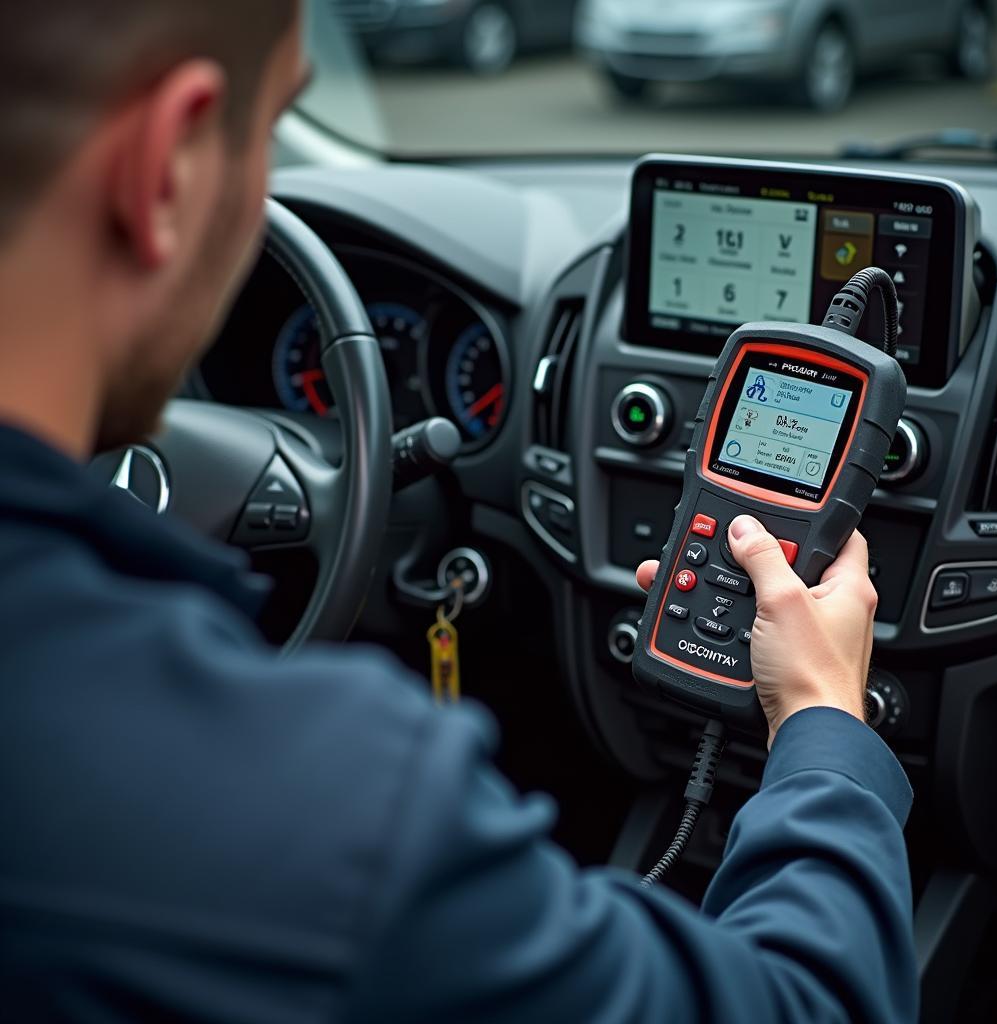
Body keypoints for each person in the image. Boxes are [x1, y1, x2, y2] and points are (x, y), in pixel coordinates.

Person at [0, 2, 916, 1020]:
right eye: (271, 132)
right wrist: (825, 723)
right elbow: (818, 1001)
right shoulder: (340, 813)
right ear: (165, 167)